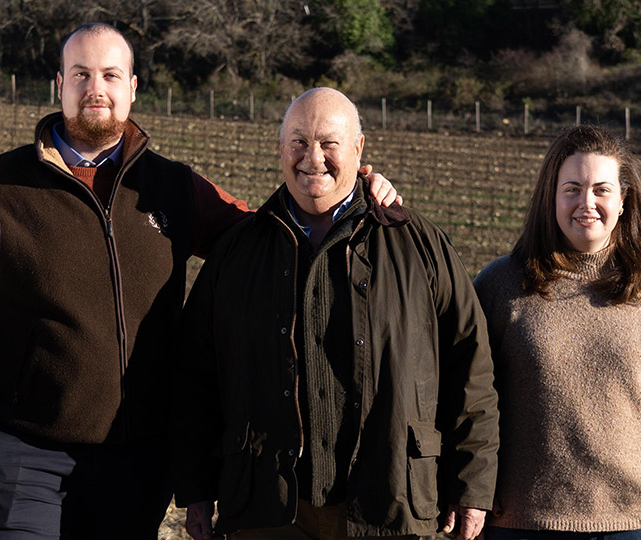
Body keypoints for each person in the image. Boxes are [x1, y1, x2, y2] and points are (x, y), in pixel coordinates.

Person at [0, 24, 398, 540]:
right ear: (59, 84)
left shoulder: (172, 187)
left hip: (137, 463)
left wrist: (350, 184)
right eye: (80, 74)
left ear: (132, 87)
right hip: (21, 456)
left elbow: (266, 236)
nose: (95, 89)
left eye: (110, 74)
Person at [175, 87, 500, 540]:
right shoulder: (237, 252)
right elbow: (198, 378)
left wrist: (472, 485)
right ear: (280, 149)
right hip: (266, 512)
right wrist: (195, 487)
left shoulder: (420, 246)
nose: (314, 157)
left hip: (392, 504)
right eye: (299, 142)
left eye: (329, 142)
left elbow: (471, 367)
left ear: (358, 148)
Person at [473, 125, 641, 540]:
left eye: (601, 189)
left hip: (638, 523)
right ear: (551, 197)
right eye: (572, 189)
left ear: (623, 200)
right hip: (524, 522)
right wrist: (468, 485)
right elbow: (461, 389)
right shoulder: (500, 285)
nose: (586, 203)